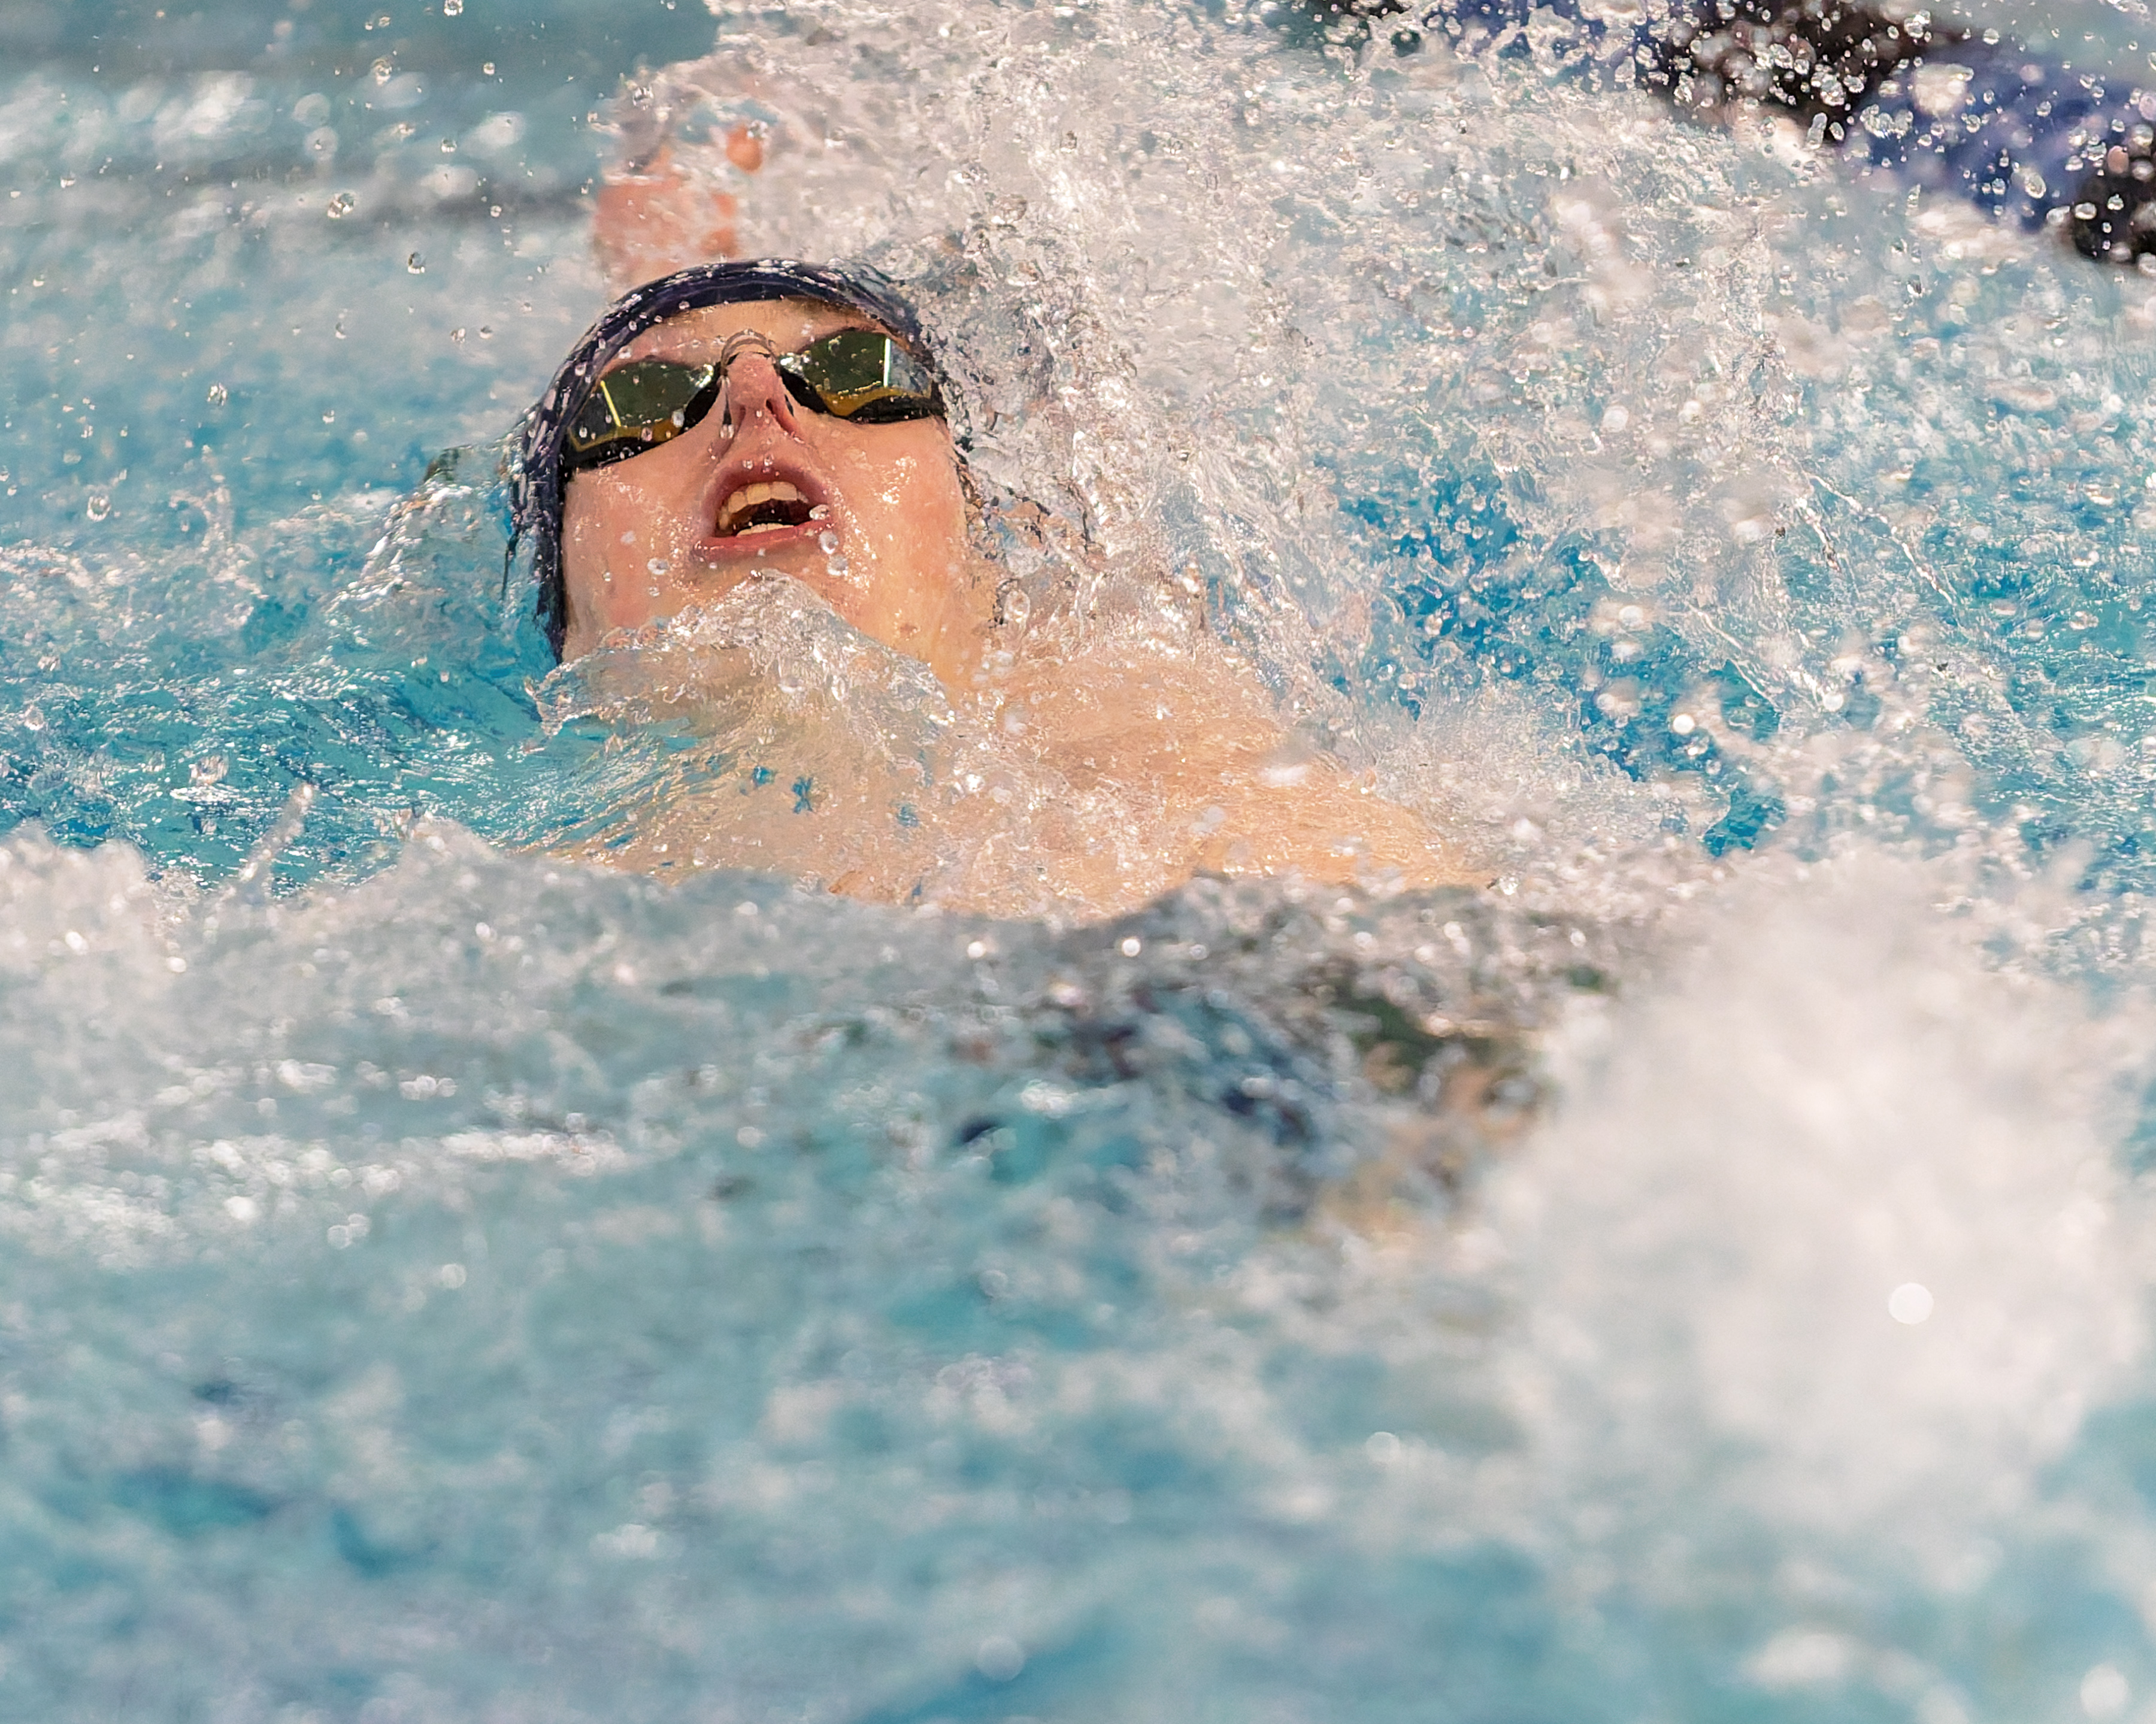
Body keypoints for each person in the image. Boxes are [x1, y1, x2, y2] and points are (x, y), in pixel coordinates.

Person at [510, 260, 1482, 919]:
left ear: (982, 551)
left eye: (856, 370)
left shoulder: (1158, 756)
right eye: (638, 401)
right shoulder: (511, 893)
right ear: (565, 625)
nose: (755, 395)